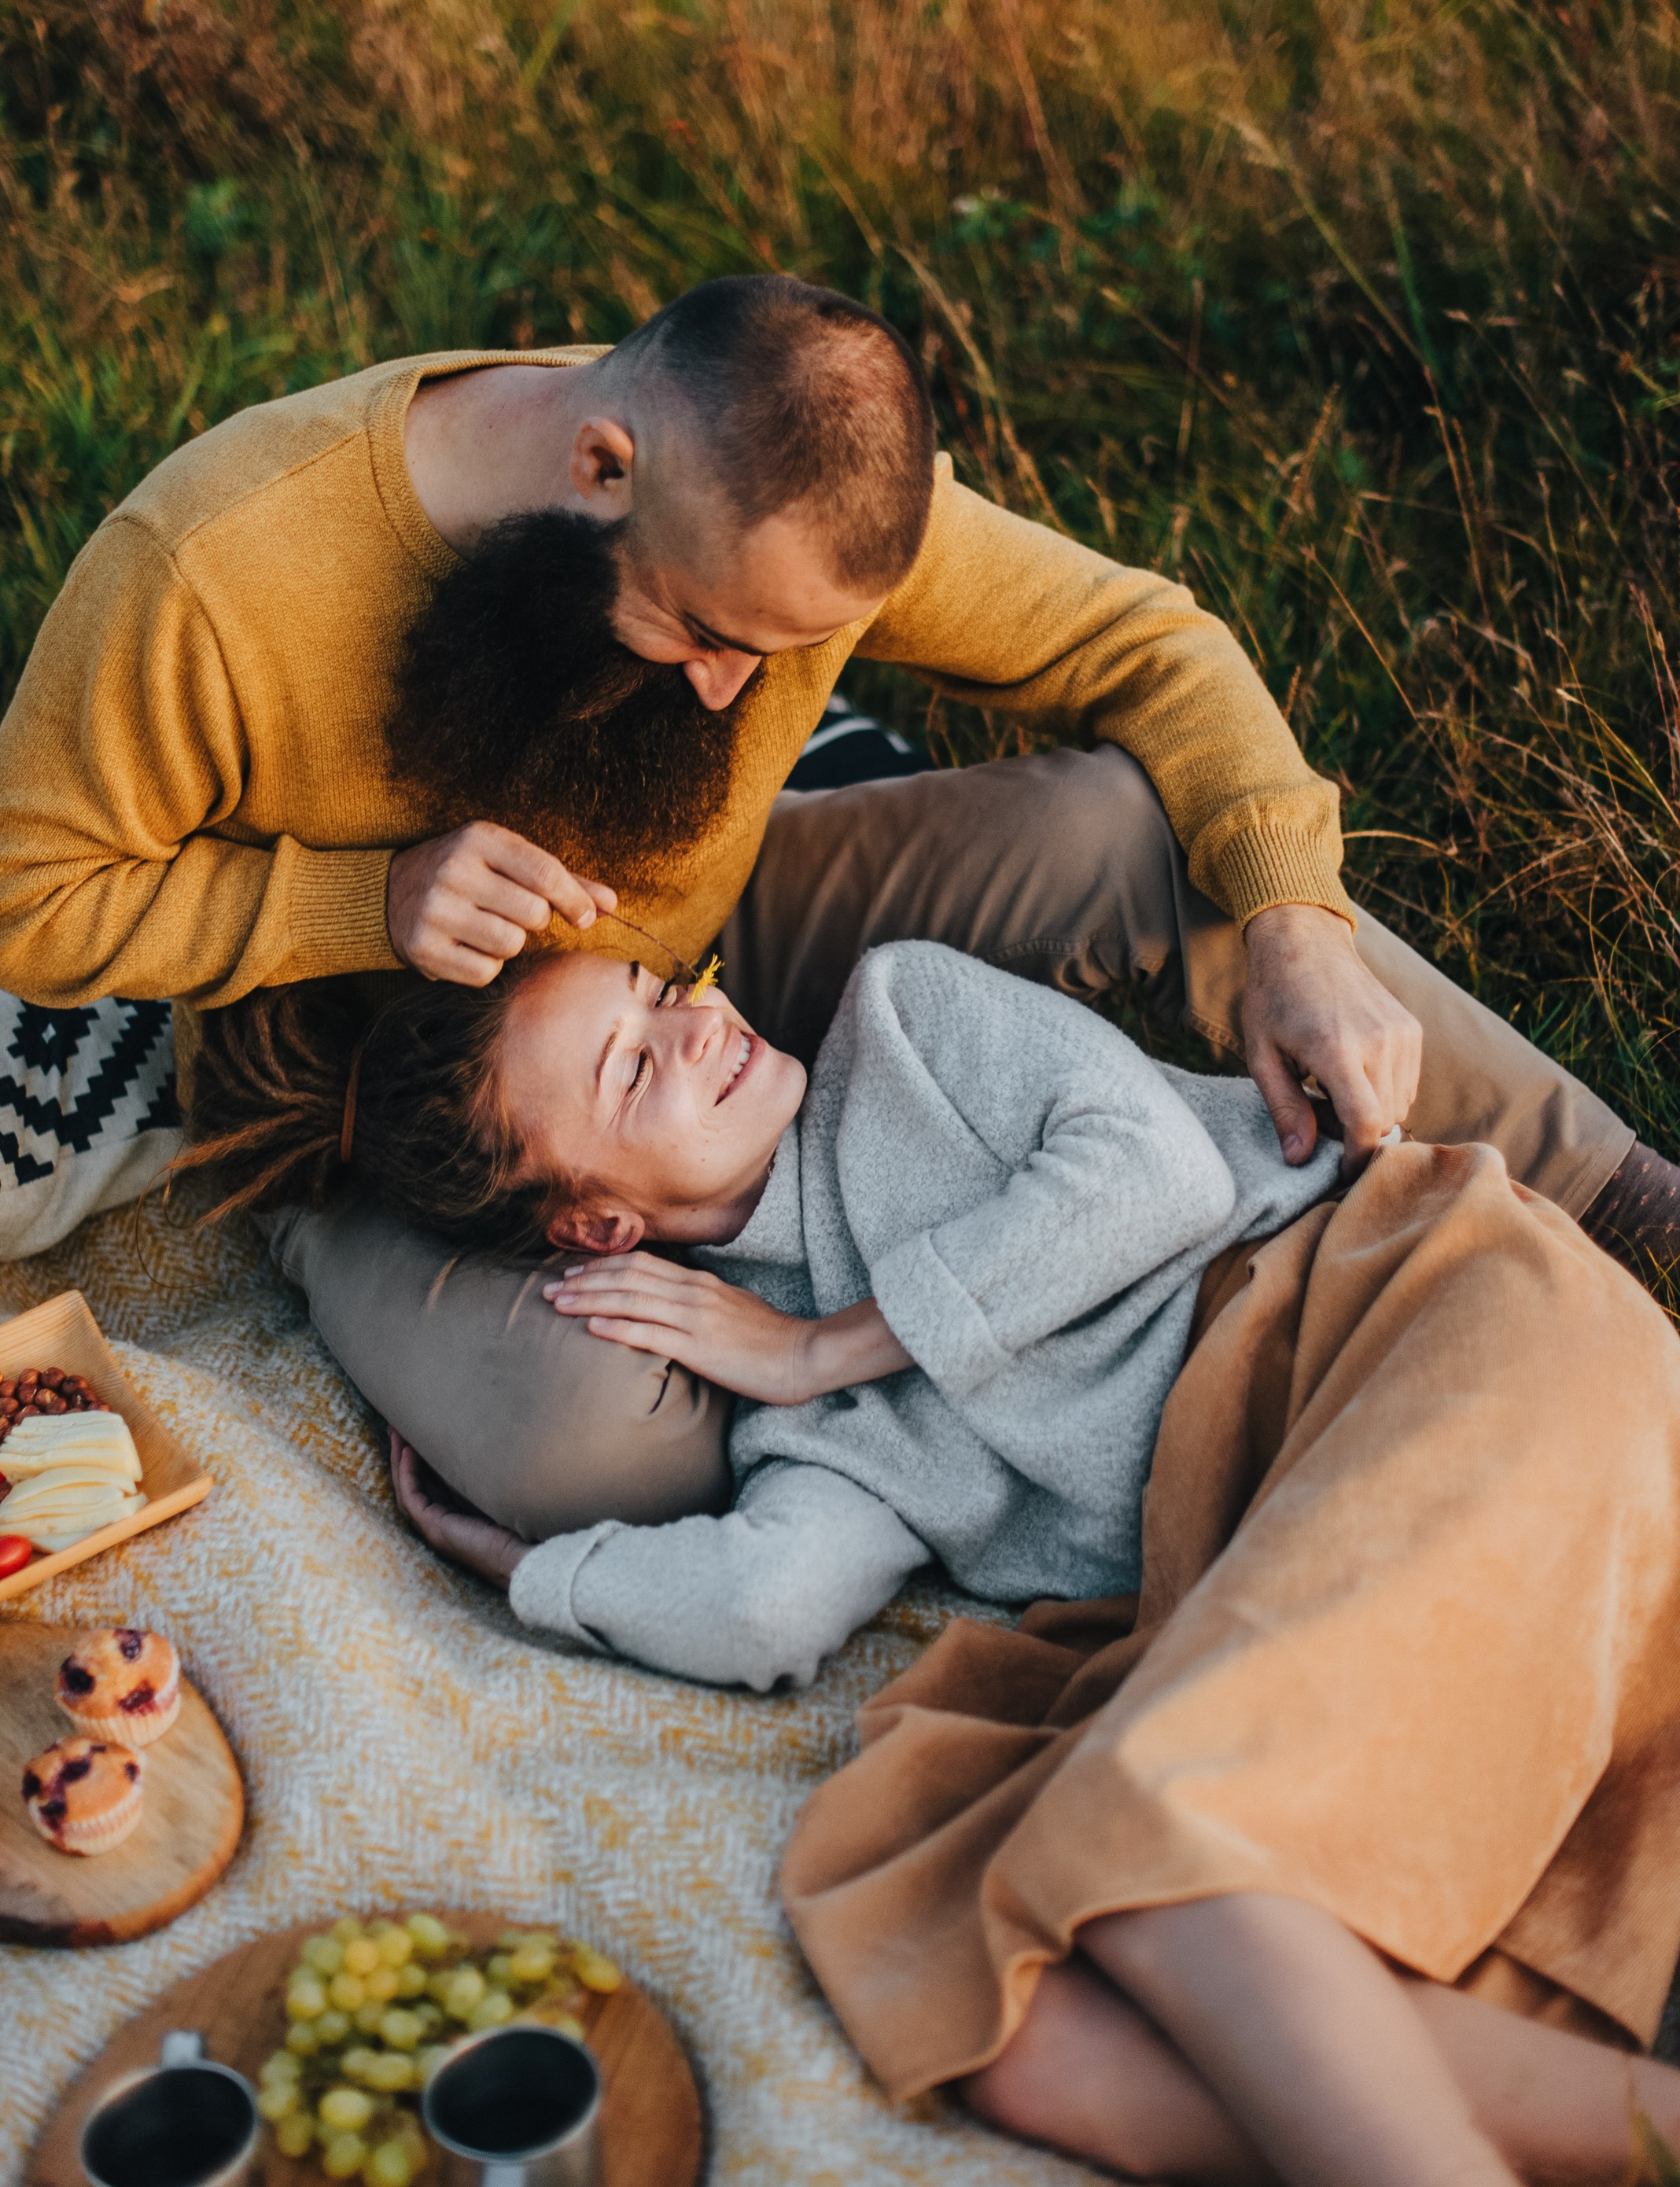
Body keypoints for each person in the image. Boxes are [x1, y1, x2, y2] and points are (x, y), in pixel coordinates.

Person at [0, 275, 1671, 1533]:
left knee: (1144, 838)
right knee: (616, 1458)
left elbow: (1155, 644)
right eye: (712, 631)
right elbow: (30, 899)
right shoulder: (211, 576)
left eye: (778, 653)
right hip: (386, 1083)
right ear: (600, 462)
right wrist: (362, 902)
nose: (735, 691)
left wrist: (1299, 922)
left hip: (701, 969)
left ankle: (1624, 1205)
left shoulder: (783, 520)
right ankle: (324, 1236)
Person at [177, 926, 1680, 2187]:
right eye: (633, 1066)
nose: (692, 1022)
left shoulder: (906, 1023)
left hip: (1419, 1316)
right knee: (1019, 2025)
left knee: (1153, 1865)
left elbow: (1158, 1171)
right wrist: (532, 1571)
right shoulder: (806, 1441)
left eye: (653, 986)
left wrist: (825, 1345)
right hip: (1272, 1523)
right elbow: (768, 1605)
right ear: (599, 1223)